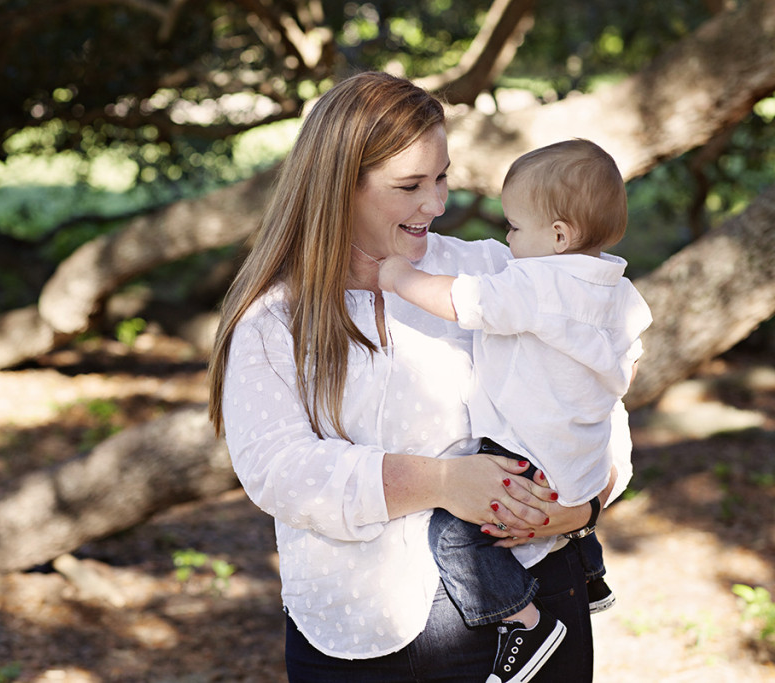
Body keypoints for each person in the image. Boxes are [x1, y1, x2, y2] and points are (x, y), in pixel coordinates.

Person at [207, 71, 628, 683]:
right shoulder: (275, 317)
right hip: (355, 631)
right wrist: (438, 482)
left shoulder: (491, 273)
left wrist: (585, 505)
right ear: (339, 187)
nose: (437, 204)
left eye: (443, 177)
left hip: (535, 599)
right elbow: (278, 469)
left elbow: (597, 397)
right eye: (410, 185)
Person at [378, 138, 652, 681]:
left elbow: (465, 302)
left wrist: (396, 278)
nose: (507, 239)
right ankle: (590, 571)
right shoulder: (617, 288)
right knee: (562, 518)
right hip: (580, 457)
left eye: (514, 227)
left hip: (522, 452)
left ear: (558, 235)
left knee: (453, 535)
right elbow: (632, 360)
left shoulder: (535, 281)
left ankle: (523, 623)